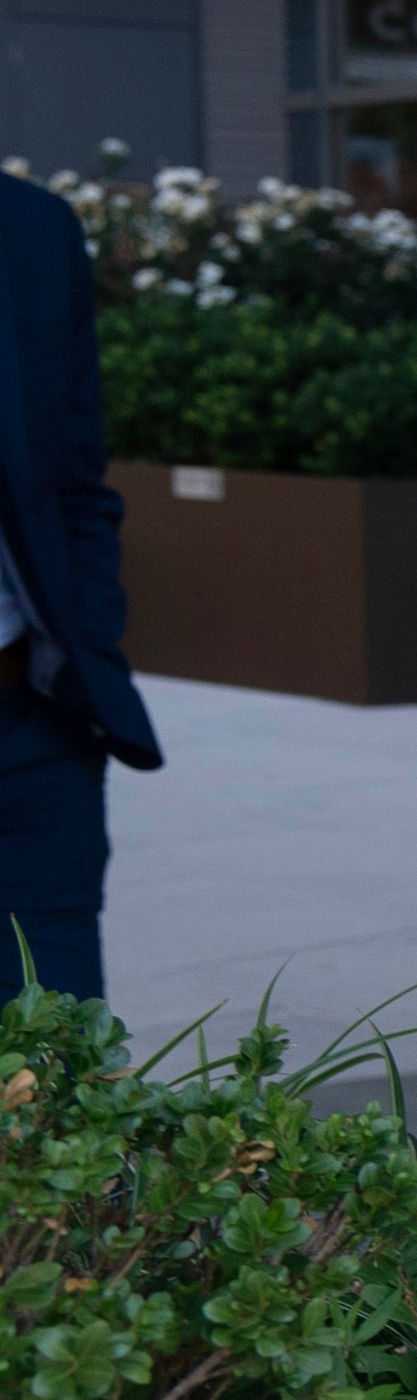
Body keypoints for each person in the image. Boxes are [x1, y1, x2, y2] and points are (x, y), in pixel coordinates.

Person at [0, 172, 162, 1002]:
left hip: (31, 730)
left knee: (58, 1092)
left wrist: (87, 644)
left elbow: (73, 477)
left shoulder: (33, 227)